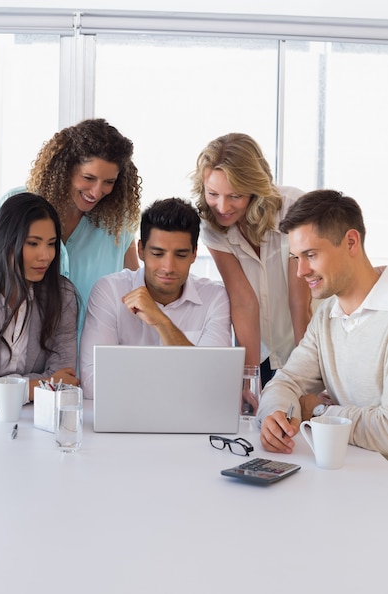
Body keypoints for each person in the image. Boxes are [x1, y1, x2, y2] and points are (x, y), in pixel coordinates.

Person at [258, 189, 388, 455]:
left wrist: (317, 412)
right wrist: (277, 414)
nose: (300, 271)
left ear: (351, 242)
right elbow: (286, 381)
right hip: (349, 472)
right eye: (296, 257)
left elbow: (385, 430)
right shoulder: (326, 314)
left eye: (311, 255)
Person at [0, 118, 142, 331]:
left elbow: (135, 288)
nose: (97, 192)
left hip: (92, 356)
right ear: (66, 169)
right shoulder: (16, 205)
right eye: (88, 177)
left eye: (109, 182)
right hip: (23, 354)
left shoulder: (118, 221)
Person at [191, 133, 312, 387]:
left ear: (254, 189)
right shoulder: (212, 226)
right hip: (264, 348)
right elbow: (243, 301)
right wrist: (248, 379)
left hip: (308, 338)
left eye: (234, 196)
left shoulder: (294, 207)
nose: (222, 207)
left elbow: (299, 299)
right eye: (213, 193)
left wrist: (307, 373)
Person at [80, 197, 232, 398]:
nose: (168, 268)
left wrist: (161, 322)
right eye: (158, 253)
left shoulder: (215, 298)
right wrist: (185, 380)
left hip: (190, 423)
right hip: (124, 421)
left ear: (194, 254)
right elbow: (93, 383)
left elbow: (215, 385)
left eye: (180, 255)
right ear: (141, 250)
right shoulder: (110, 291)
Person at [0, 193, 79, 411]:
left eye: (51, 244)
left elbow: (65, 379)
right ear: (6, 241)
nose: (46, 255)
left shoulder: (63, 295)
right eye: (33, 243)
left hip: (37, 420)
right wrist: (39, 385)